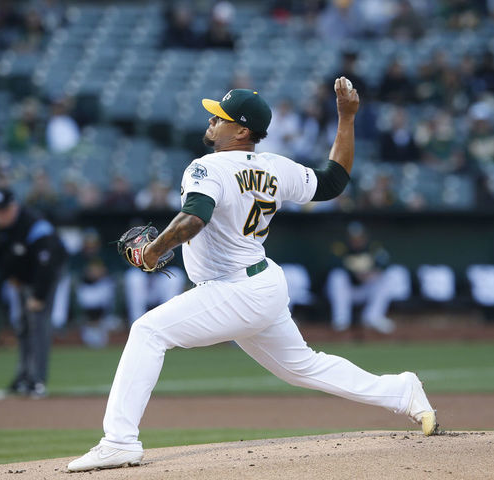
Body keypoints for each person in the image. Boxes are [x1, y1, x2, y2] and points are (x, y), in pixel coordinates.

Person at [67, 79, 437, 472]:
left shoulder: (206, 167)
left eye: (222, 117)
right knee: (303, 367)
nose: (212, 119)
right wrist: (346, 118)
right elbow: (333, 181)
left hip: (236, 288)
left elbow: (193, 218)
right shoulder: (274, 166)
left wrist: (152, 252)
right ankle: (401, 391)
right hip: (262, 284)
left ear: (242, 131)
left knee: (148, 331)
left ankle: (119, 441)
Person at [0, 187, 68, 397]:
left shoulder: (35, 226)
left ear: (14, 207)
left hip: (47, 273)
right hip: (20, 276)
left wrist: (37, 296)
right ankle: (23, 377)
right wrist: (12, 278)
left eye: (5, 209)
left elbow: (46, 265)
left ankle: (37, 380)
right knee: (21, 324)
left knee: (37, 322)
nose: (1, 215)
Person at [326, 222, 397, 334]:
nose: (357, 241)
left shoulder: (373, 248)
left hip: (366, 289)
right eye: (353, 238)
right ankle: (341, 320)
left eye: (359, 237)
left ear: (365, 237)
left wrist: (372, 272)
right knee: (337, 277)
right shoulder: (341, 248)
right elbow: (332, 265)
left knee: (387, 278)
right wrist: (354, 273)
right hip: (348, 290)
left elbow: (385, 263)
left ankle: (373, 317)